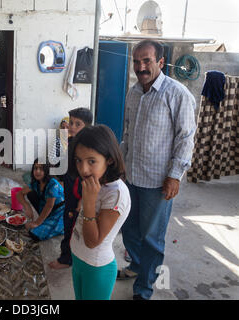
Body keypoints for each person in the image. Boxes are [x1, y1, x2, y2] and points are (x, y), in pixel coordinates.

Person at [119, 40, 196, 300]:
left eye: (147, 61)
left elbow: (186, 138)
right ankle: (137, 266)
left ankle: (144, 288)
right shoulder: (133, 93)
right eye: (137, 61)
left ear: (160, 62)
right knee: (129, 229)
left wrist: (175, 175)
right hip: (131, 177)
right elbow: (127, 133)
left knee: (152, 237)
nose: (141, 67)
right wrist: (121, 164)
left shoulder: (177, 94)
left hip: (158, 181)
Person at [69, 125, 131, 300]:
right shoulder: (96, 182)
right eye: (78, 160)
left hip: (96, 267)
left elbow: (92, 241)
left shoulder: (116, 194)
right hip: (79, 260)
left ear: (109, 159)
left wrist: (88, 201)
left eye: (91, 161)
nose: (83, 169)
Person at [49, 107, 93, 270]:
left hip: (79, 194)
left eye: (77, 124)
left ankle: (67, 258)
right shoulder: (71, 141)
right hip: (69, 189)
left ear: (87, 127)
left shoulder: (88, 148)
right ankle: (71, 255)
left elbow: (90, 176)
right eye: (71, 122)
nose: (72, 126)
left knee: (73, 225)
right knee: (69, 223)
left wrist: (83, 199)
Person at [16, 159, 65, 241]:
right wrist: (27, 206)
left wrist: (36, 223)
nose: (37, 171)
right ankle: (44, 219)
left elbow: (49, 206)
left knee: (35, 234)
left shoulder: (53, 184)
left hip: (60, 212)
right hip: (48, 208)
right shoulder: (36, 183)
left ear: (47, 170)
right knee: (30, 194)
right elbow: (19, 194)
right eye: (35, 168)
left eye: (41, 169)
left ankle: (44, 221)